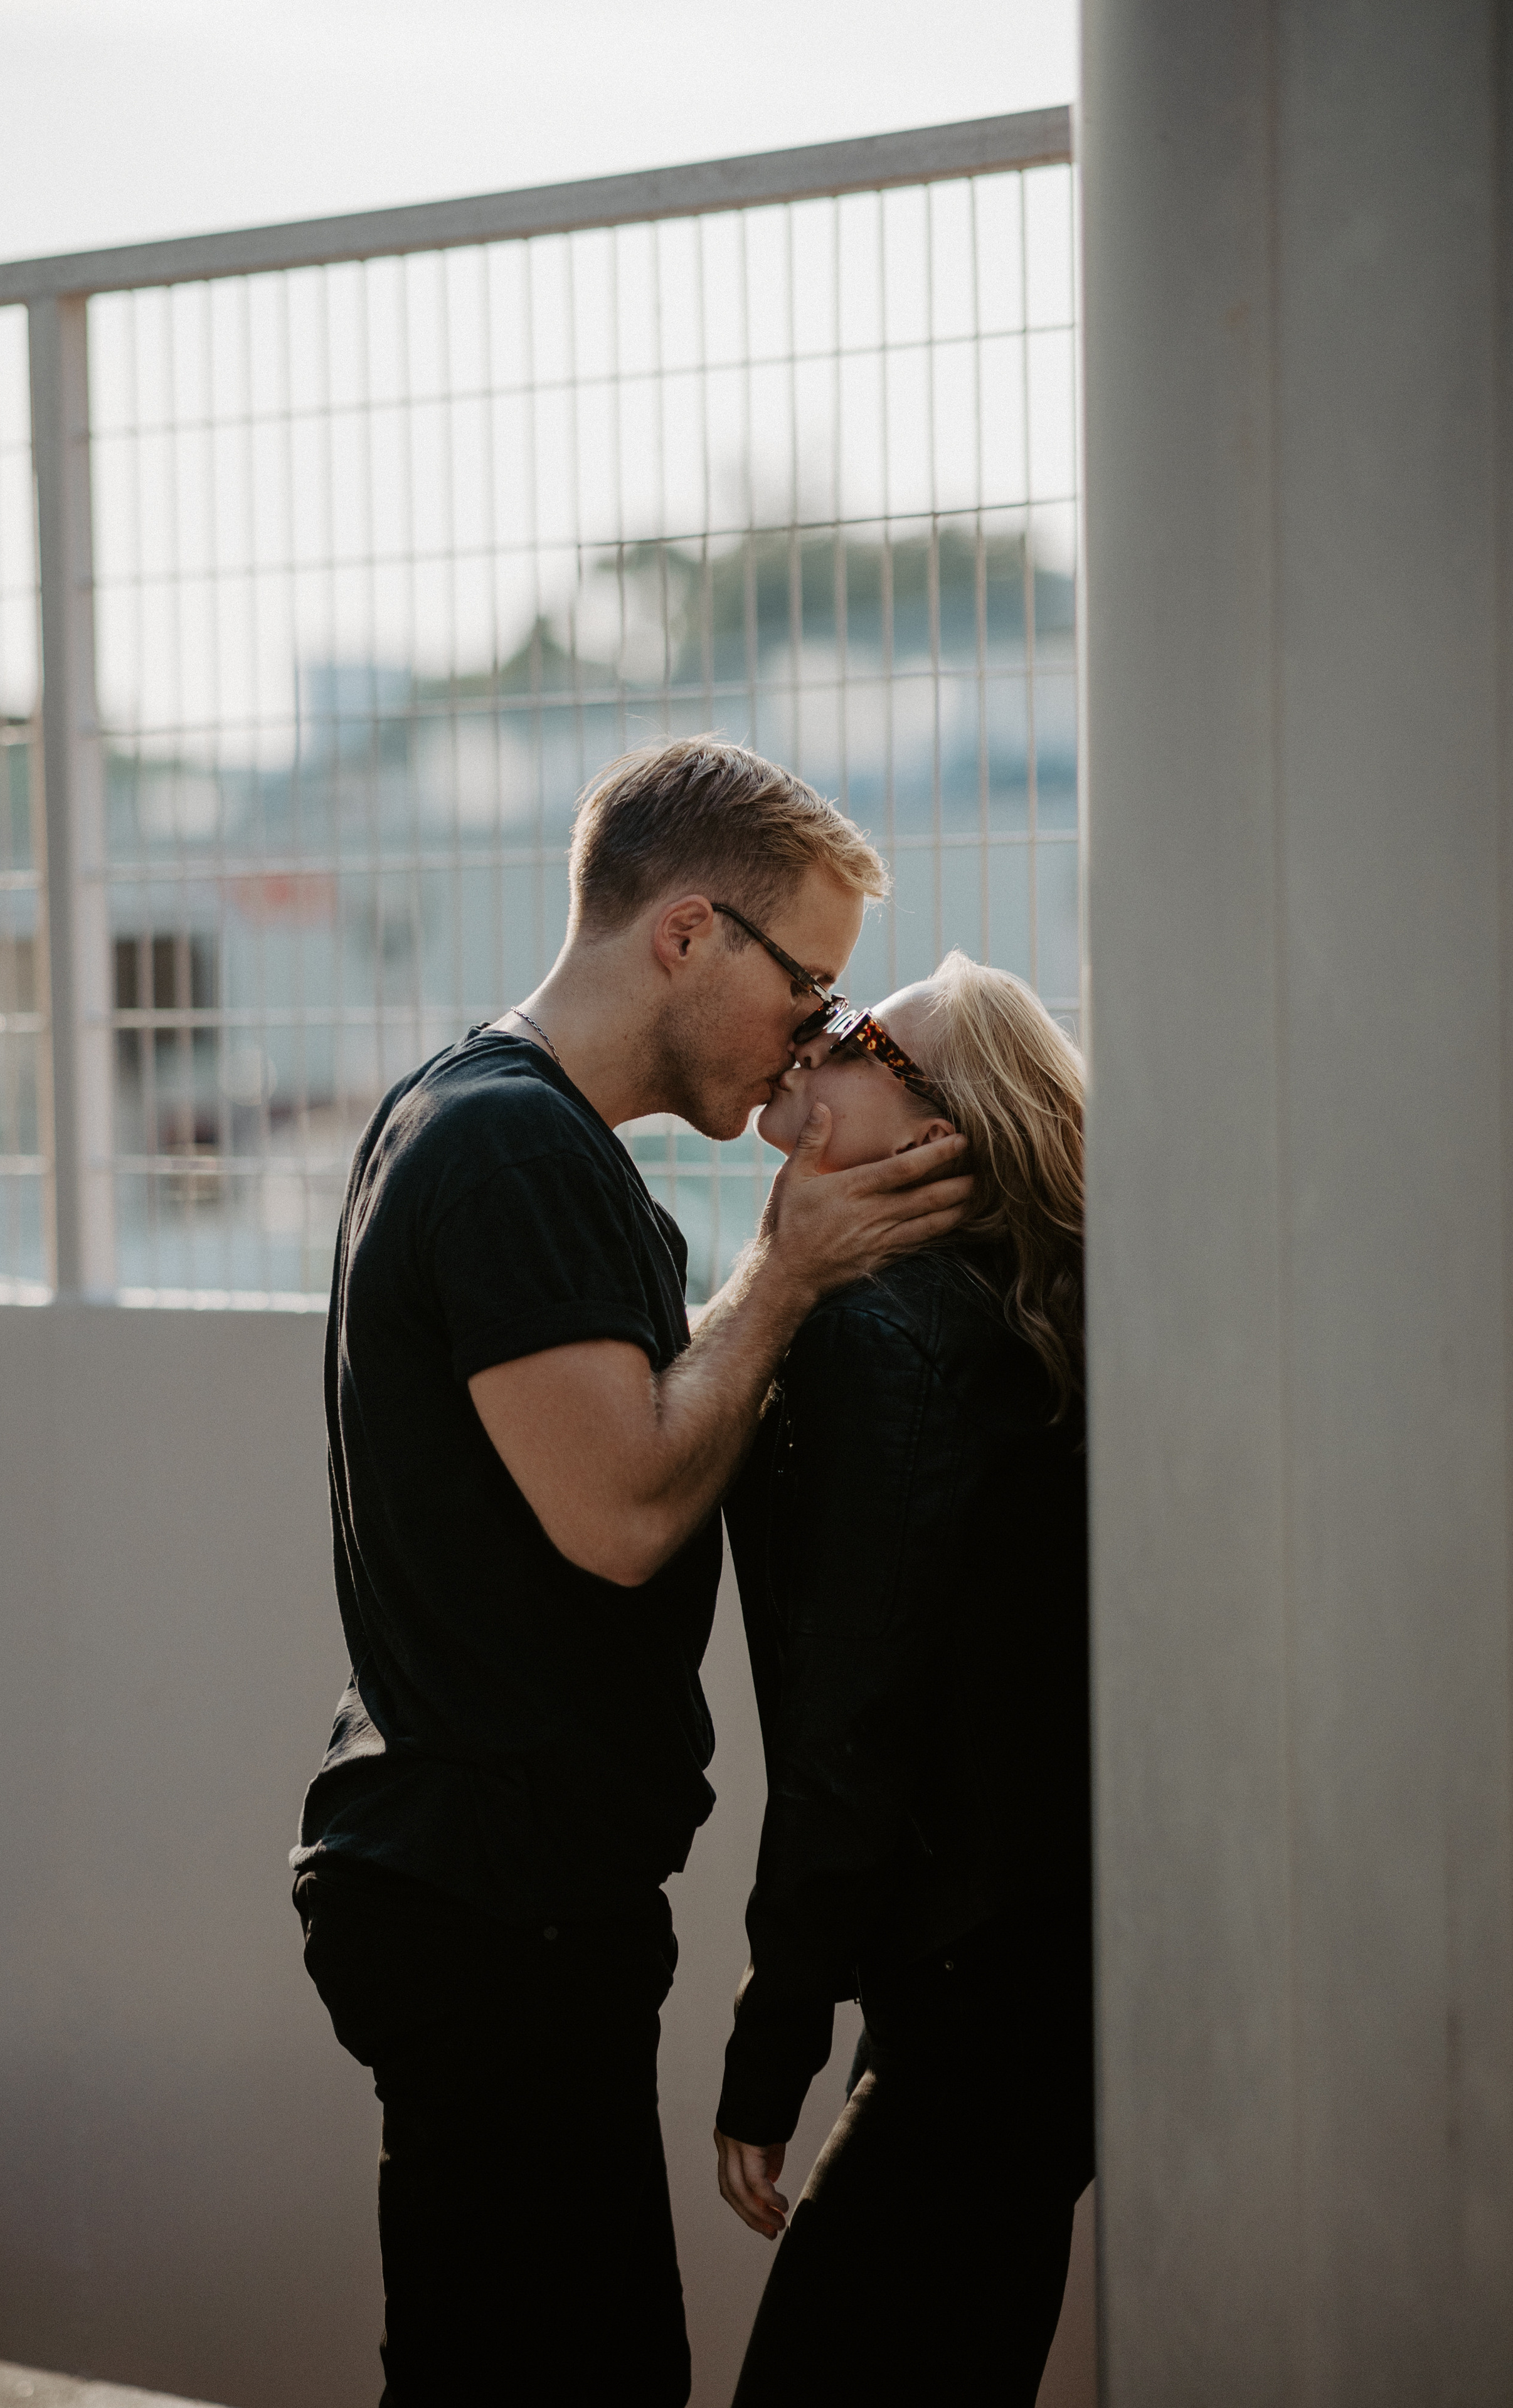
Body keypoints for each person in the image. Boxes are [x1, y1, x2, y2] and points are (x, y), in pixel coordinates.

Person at [288, 737, 972, 2407]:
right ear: (684, 933)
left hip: (497, 1902)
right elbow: (621, 1515)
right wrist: (786, 1272)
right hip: (492, 1915)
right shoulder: (512, 1154)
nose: (810, 1038)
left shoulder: (476, 1116)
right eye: (807, 988)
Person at [712, 950, 1092, 2407]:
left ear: (941, 1133)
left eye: (859, 1034)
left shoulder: (886, 1342)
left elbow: (849, 1726)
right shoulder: (995, 1328)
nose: (815, 1039)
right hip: (1029, 1998)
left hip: (967, 2012)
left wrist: (771, 2041)